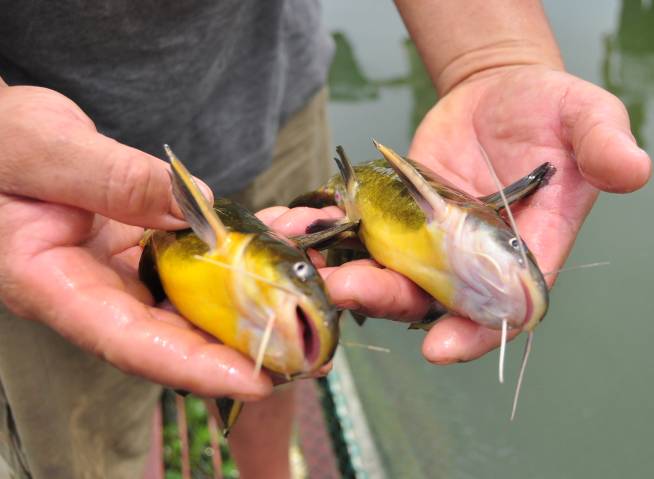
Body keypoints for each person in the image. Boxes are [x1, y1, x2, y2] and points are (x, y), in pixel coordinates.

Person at [0, 1, 649, 478]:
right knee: (84, 430)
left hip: (270, 89)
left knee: (276, 370)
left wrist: (493, 55)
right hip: (39, 180)